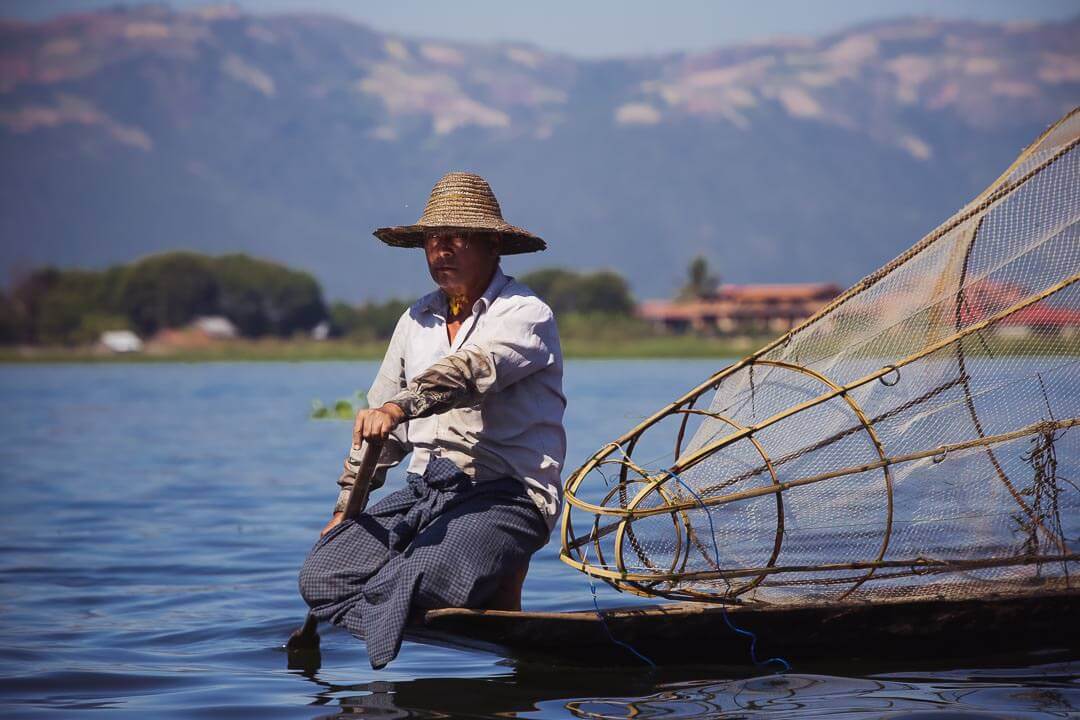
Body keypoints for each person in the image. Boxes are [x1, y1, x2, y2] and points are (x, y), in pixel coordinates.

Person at [298, 171, 566, 669]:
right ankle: (426, 601)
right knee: (322, 576)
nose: (441, 251)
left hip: (507, 492)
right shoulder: (415, 320)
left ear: (491, 246)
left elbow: (469, 370)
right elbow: (381, 429)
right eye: (432, 240)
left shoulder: (525, 313)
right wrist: (346, 507)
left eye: (456, 239)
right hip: (427, 490)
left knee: (419, 577)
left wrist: (400, 406)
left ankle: (438, 592)